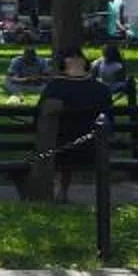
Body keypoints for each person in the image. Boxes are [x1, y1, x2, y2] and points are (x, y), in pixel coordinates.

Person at [35, 49, 116, 198]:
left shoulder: (54, 88)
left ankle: (61, 191)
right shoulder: (102, 90)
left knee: (59, 143)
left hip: (60, 147)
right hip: (94, 147)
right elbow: (110, 120)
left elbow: (38, 117)